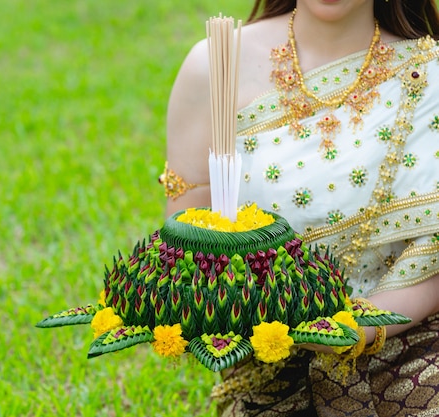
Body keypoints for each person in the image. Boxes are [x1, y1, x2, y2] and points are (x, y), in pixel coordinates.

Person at [162, 0, 439, 415]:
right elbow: (187, 232)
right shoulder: (218, 62)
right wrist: (233, 307)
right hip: (267, 365)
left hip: (414, 349)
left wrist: (360, 328)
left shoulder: (429, 73)